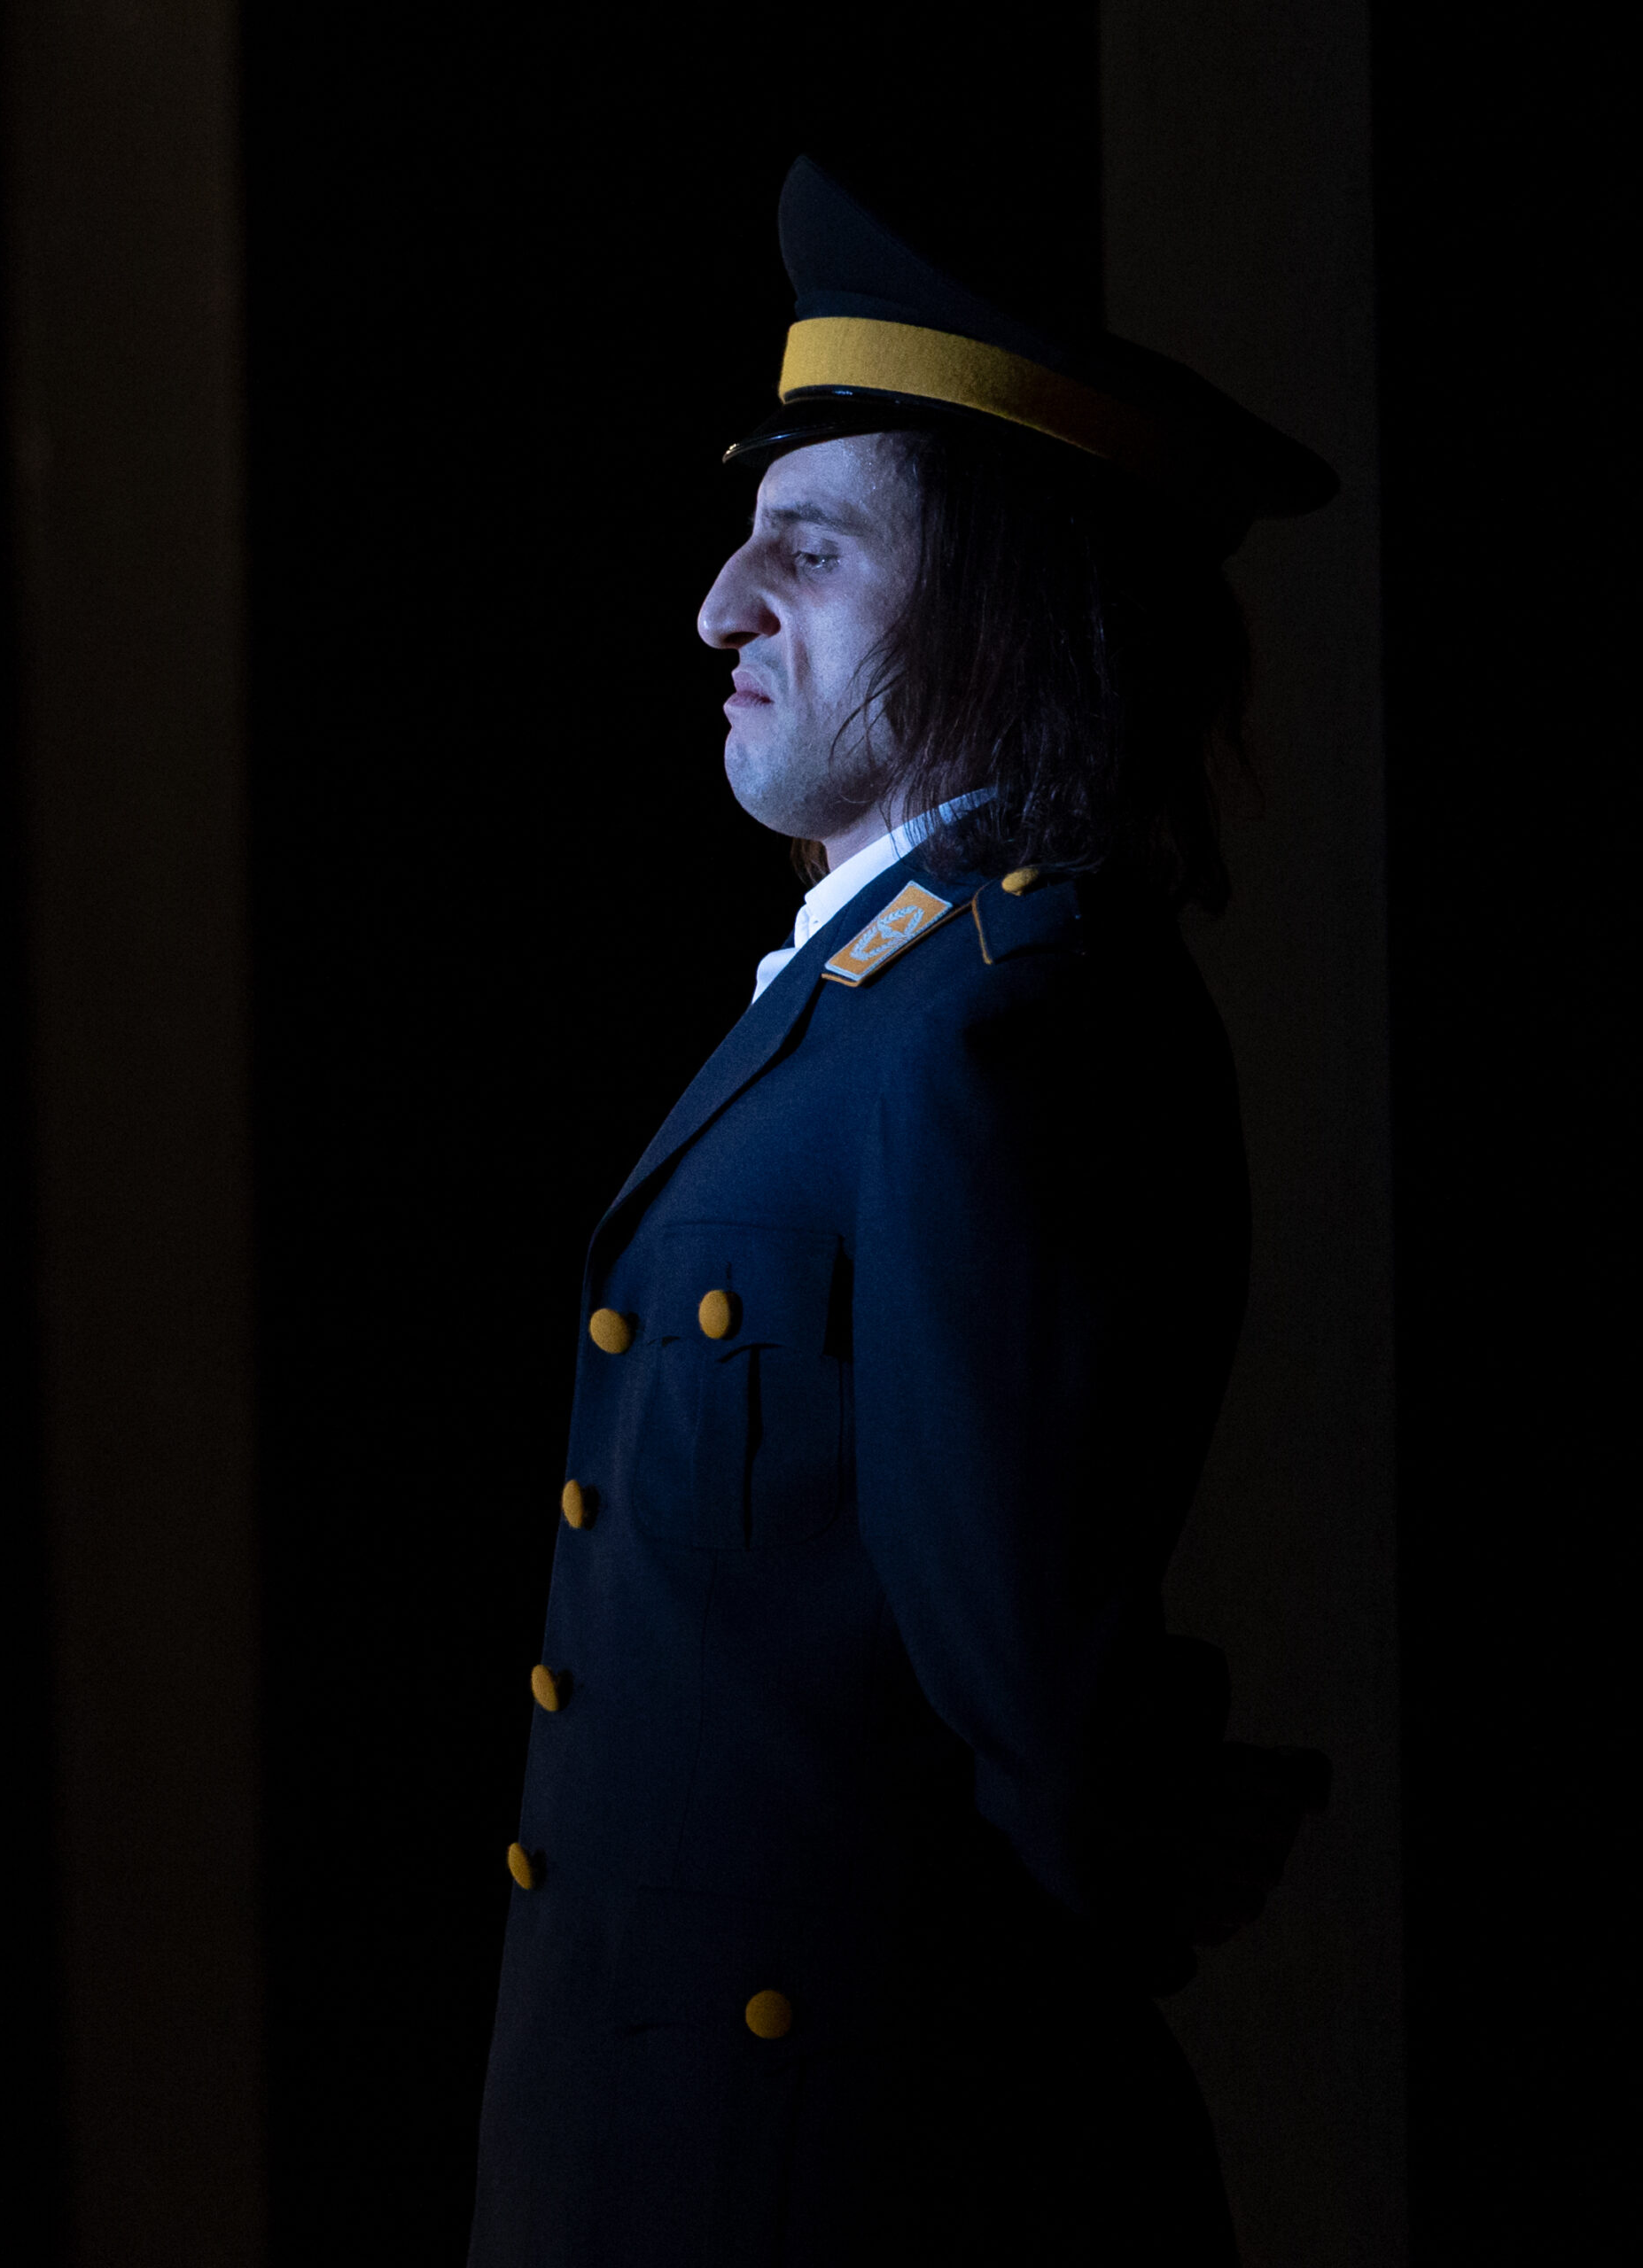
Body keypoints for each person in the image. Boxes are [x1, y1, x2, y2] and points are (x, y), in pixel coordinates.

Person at [469, 154, 1335, 2266]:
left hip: (822, 2178)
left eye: (812, 546)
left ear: (1004, 603)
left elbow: (1028, 1681)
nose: (720, 605)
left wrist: (1135, 1806)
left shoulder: (994, 1024)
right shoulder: (888, 993)